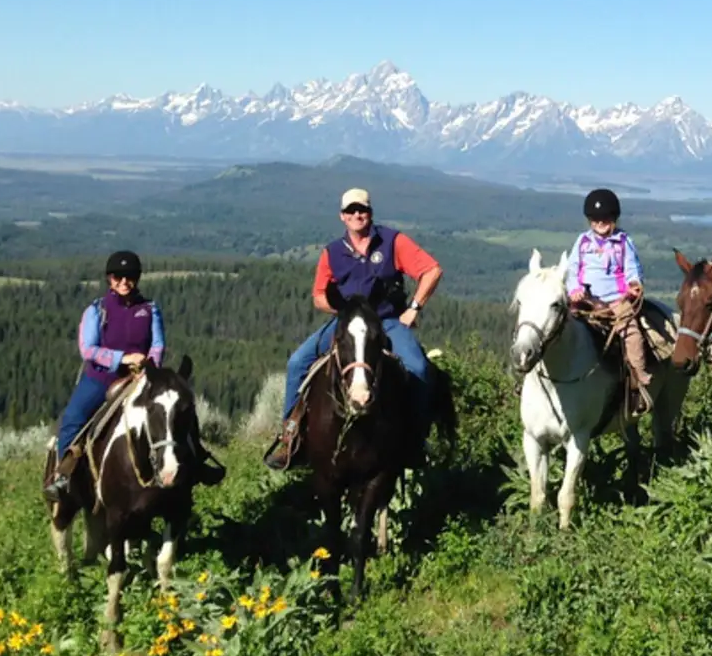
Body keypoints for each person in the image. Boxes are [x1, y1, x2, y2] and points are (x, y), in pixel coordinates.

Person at [263, 187, 444, 470]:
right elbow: (319, 295)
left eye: (363, 210)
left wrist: (414, 308)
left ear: (370, 214)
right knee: (297, 362)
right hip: (347, 323)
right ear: (342, 217)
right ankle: (291, 438)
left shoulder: (392, 242)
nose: (357, 215)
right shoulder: (332, 253)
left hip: (387, 321)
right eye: (351, 211)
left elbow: (432, 270)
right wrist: (347, 313)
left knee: (418, 368)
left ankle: (415, 440)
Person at [44, 250, 222, 502]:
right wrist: (123, 359)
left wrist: (150, 367)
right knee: (74, 418)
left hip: (143, 378)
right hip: (102, 379)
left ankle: (197, 460)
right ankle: (63, 476)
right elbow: (88, 349)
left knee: (177, 410)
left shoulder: (149, 309)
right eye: (118, 277)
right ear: (109, 279)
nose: (124, 282)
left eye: (130, 277)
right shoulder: (97, 310)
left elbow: (158, 344)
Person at [565, 188, 653, 413]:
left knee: (631, 333)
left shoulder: (623, 242)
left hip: (616, 299)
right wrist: (574, 288)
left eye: (605, 219)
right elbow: (573, 269)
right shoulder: (582, 242)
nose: (600, 223)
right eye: (595, 220)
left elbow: (633, 268)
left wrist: (634, 285)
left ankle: (639, 381)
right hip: (586, 298)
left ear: (614, 218)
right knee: (557, 325)